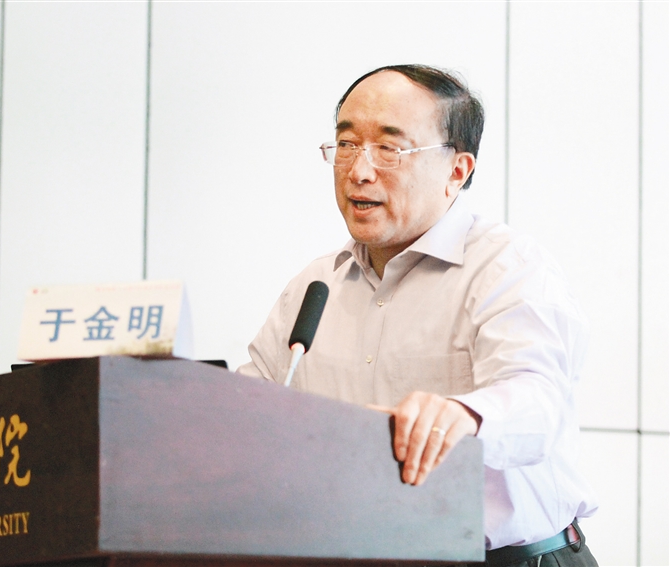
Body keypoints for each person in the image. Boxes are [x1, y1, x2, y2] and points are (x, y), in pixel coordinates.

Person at [237, 64, 599, 567]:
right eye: (346, 144)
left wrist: (465, 415)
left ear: (457, 170)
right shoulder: (316, 285)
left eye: (390, 148)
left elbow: (539, 403)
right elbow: (245, 410)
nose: (359, 171)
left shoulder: (508, 268)